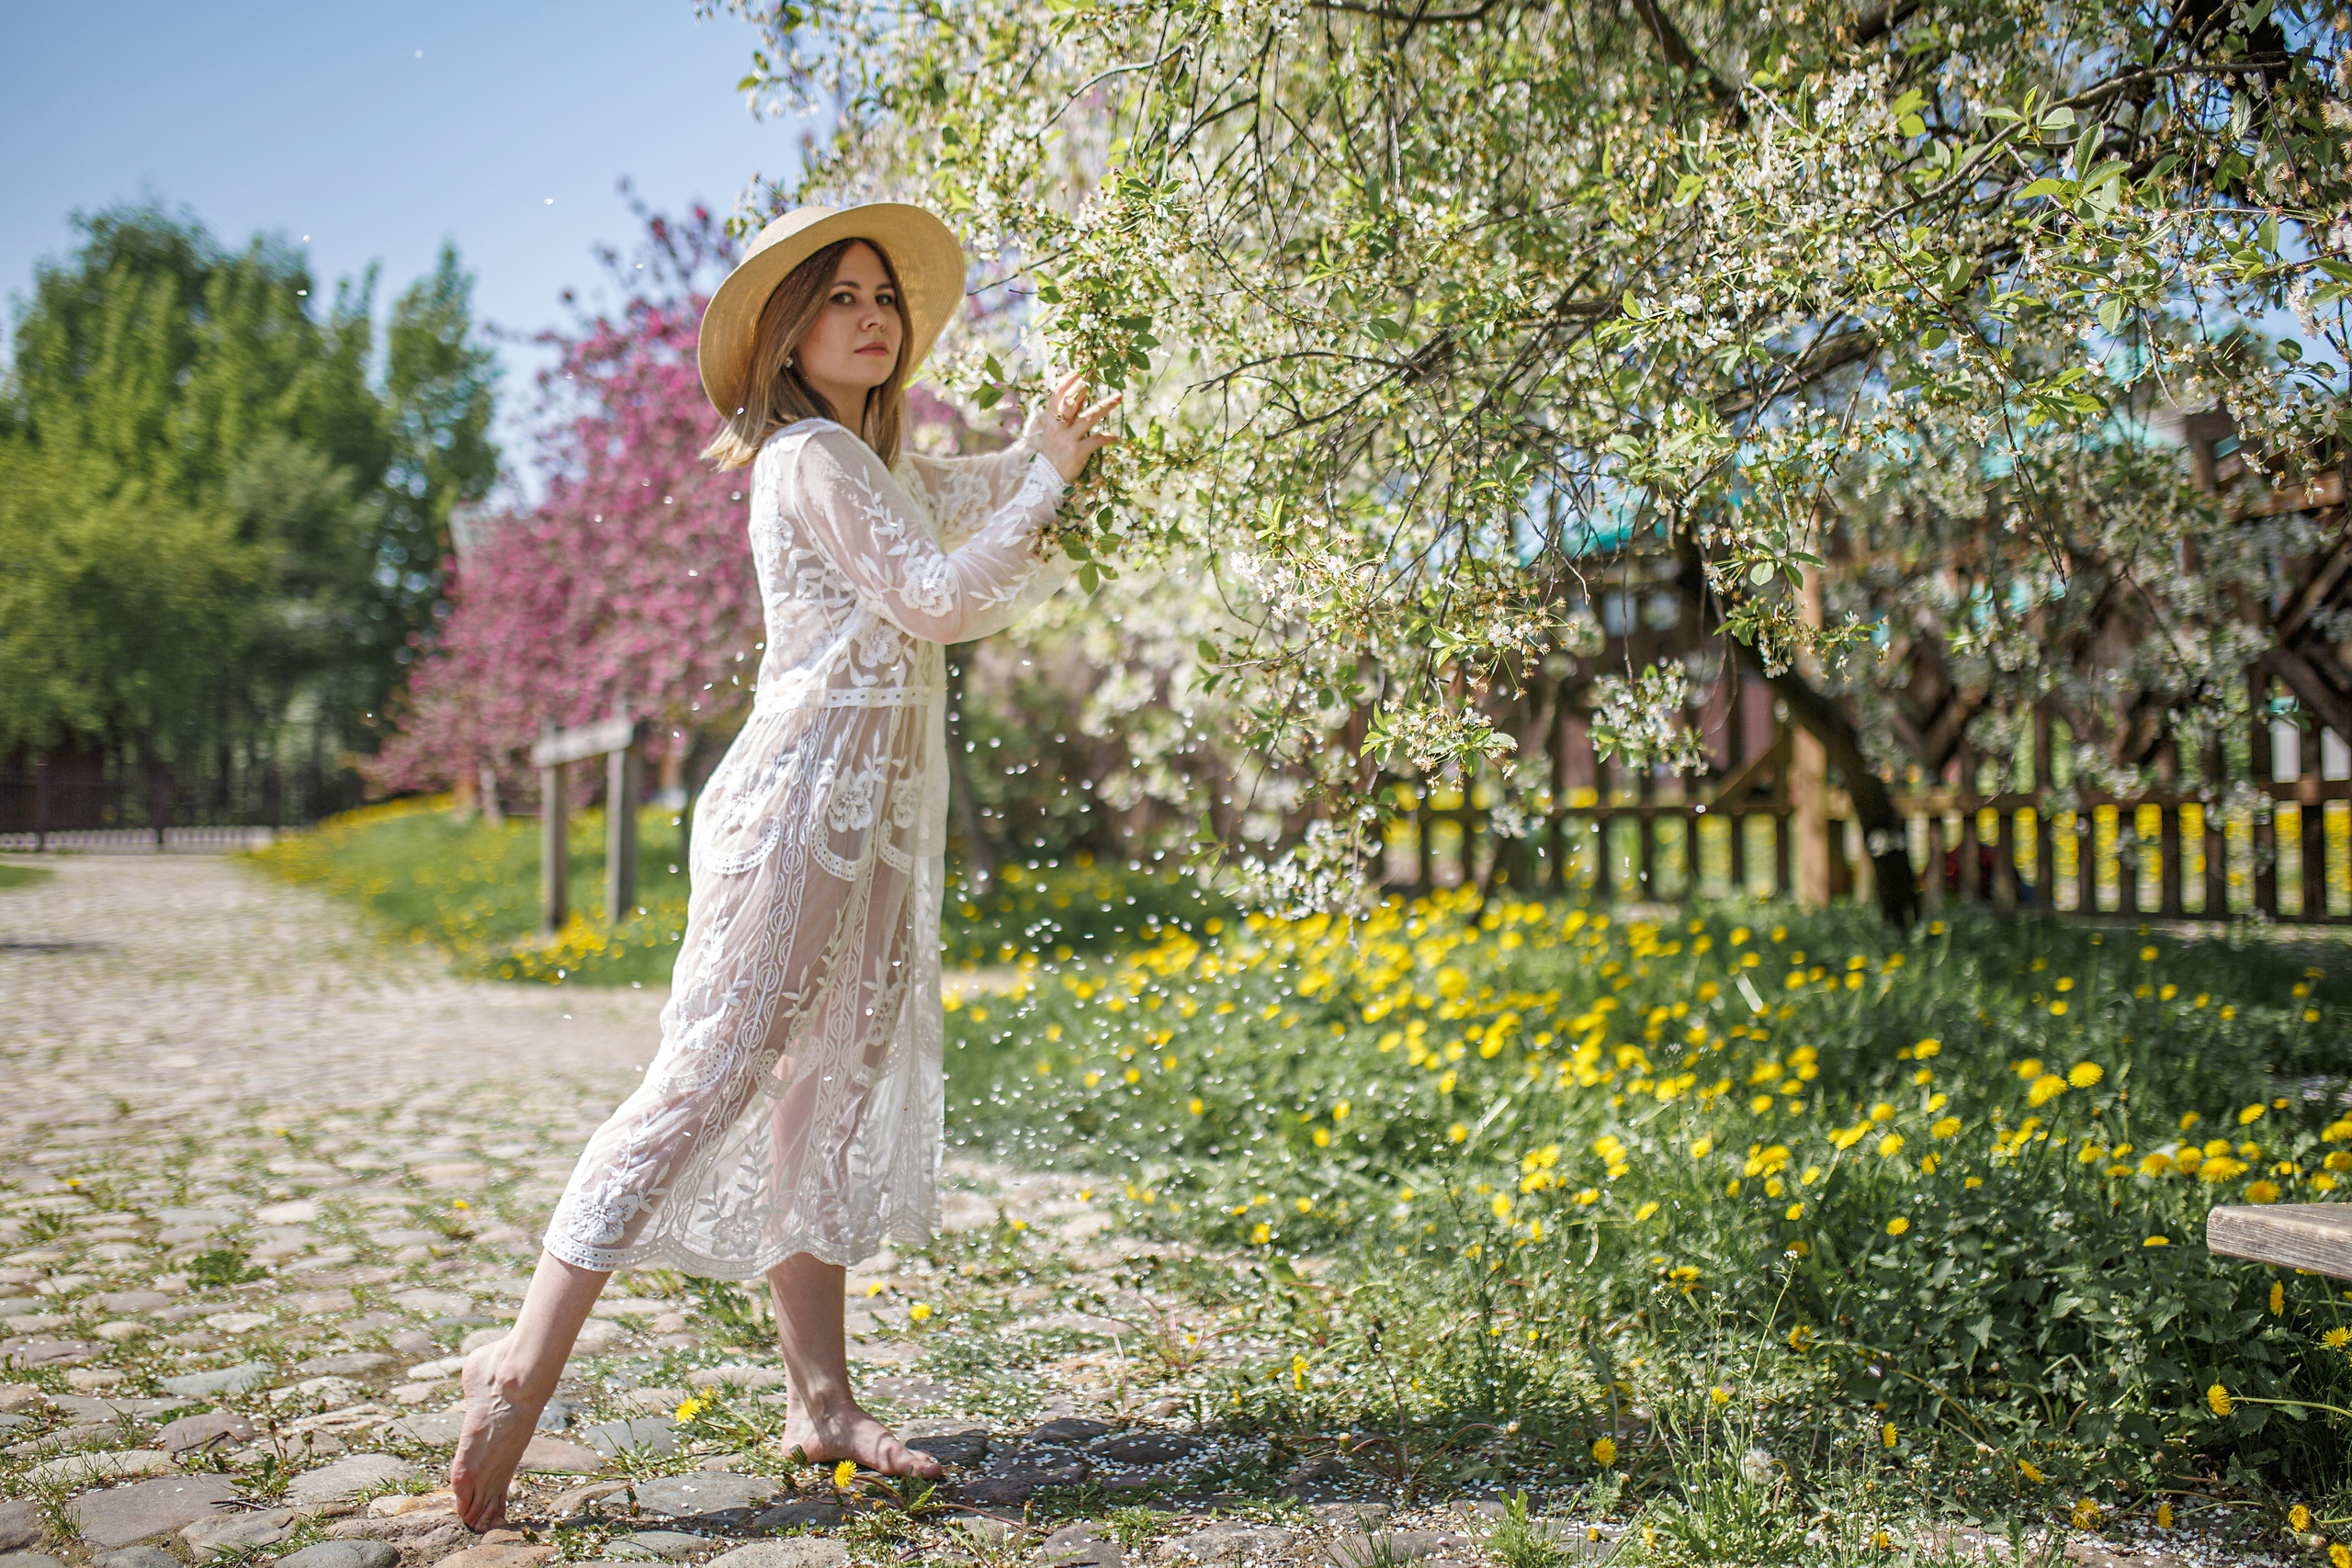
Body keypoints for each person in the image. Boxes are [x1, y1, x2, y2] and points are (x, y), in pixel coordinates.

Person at [447, 203, 1120, 1530]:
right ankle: (517, 1368)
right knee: (708, 1078)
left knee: (829, 1089)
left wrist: (1066, 447)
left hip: (871, 827)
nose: (872, 315)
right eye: (841, 298)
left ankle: (822, 1403)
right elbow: (940, 595)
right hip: (798, 814)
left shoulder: (880, 469)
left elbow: (986, 497)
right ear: (790, 336)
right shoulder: (808, 456)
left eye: (885, 298)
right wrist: (1043, 475)